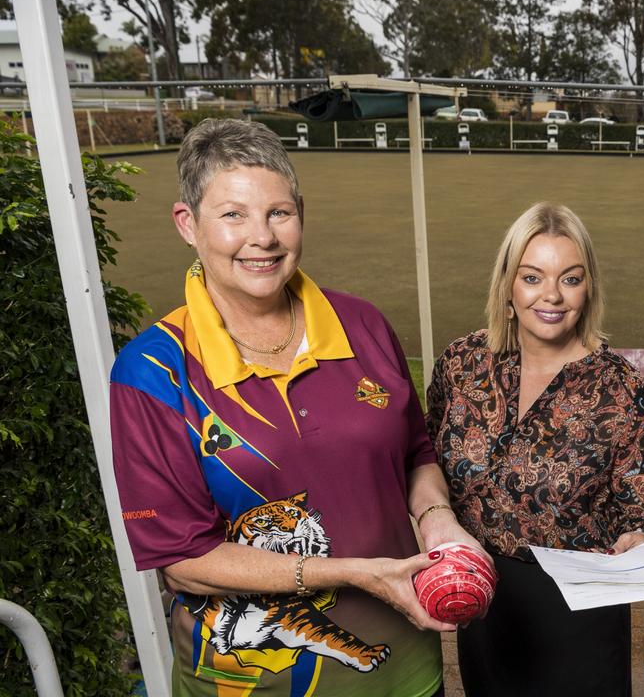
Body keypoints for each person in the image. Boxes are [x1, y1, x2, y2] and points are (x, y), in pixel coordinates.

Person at [109, 119, 482, 696]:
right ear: (188, 224)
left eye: (279, 213)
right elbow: (183, 559)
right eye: (233, 214)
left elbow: (415, 453)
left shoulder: (364, 324)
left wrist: (440, 521)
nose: (262, 237)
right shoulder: (153, 372)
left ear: (301, 214)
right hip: (249, 686)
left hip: (407, 670)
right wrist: (357, 575)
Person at [424, 202, 644, 697]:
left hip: (577, 615)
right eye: (533, 277)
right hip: (483, 601)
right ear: (508, 284)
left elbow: (639, 515)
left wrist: (638, 541)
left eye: (570, 279)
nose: (552, 295)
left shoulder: (624, 390)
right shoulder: (461, 363)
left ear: (589, 287)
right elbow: (426, 459)